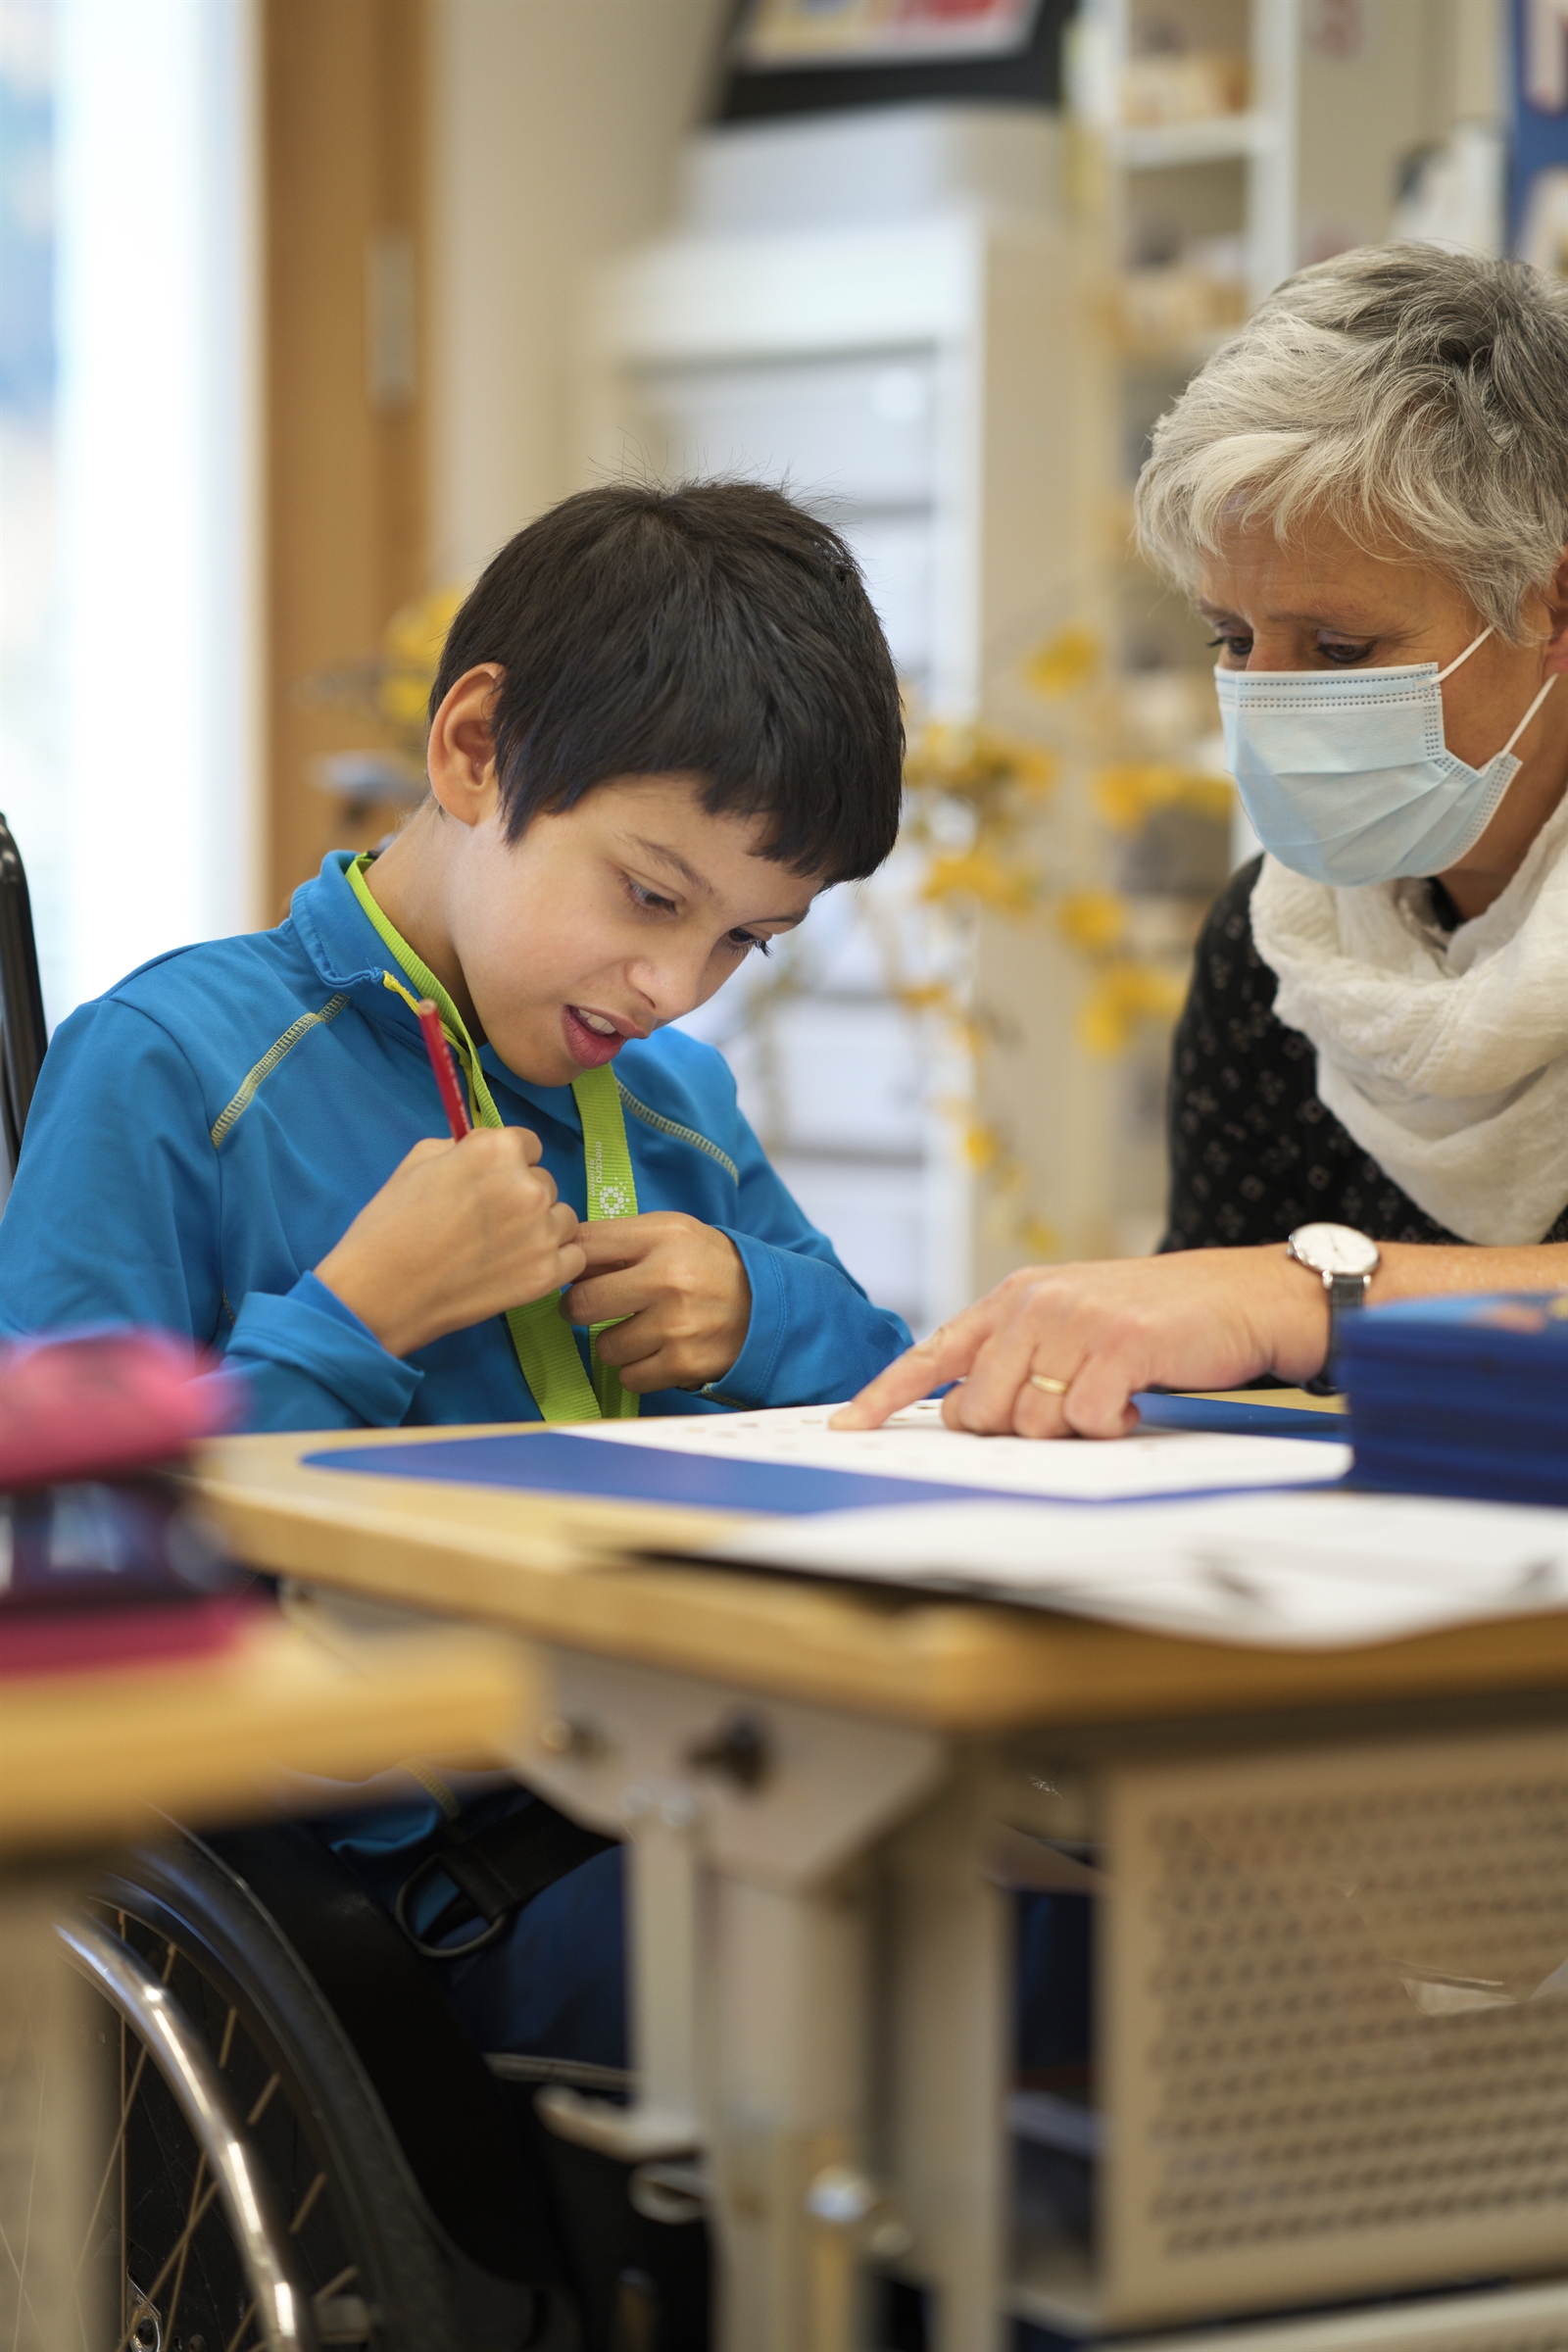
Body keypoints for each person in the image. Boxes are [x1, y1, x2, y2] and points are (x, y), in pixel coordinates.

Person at [0, 478, 911, 2067]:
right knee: (951, 1995)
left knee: (1086, 1939)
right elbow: (54, 1581)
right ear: (475, 751)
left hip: (706, 1797)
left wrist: (765, 1313)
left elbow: (901, 1414)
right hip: (405, 1916)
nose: (672, 984)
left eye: (742, 942)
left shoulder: (674, 1106)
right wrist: (350, 1326)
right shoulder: (168, 1065)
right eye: (651, 895)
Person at [836, 245, 1568, 1441]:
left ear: (1551, 607)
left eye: (1338, 650)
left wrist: (1315, 1294)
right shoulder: (1275, 954)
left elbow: (1264, 1303)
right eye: (1232, 637)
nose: (1268, 699)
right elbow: (1213, 1388)